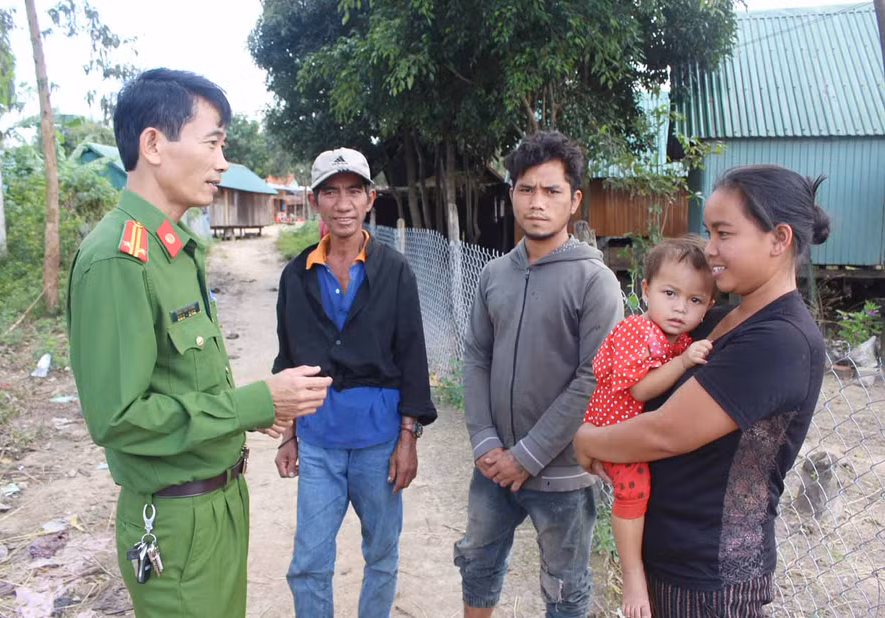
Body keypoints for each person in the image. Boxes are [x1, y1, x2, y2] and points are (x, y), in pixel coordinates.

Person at [67, 68, 332, 618]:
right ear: (154, 145)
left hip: (217, 504)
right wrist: (257, 403)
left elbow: (183, 379)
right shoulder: (119, 259)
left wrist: (249, 413)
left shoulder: (174, 250)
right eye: (211, 142)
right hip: (174, 520)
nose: (222, 162)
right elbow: (117, 417)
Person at [574, 165, 829, 617]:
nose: (709, 250)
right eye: (708, 232)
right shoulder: (716, 319)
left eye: (723, 234)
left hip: (711, 578)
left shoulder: (780, 340)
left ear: (779, 239)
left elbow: (664, 433)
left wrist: (586, 439)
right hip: (670, 555)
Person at [455, 130, 624, 618]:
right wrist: (485, 442)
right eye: (526, 189)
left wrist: (526, 456)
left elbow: (593, 378)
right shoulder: (495, 275)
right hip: (492, 468)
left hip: (564, 475)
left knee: (565, 589)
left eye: (551, 191)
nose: (537, 202)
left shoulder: (595, 281)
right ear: (511, 195)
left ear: (573, 201)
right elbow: (476, 357)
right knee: (478, 565)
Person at [272, 147, 437, 617]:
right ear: (314, 200)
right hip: (318, 442)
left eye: (352, 192)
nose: (342, 204)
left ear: (370, 199)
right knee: (308, 563)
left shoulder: (394, 271)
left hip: (379, 444)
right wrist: (288, 434)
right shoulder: (296, 275)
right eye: (330, 192)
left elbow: (411, 356)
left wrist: (408, 437)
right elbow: (287, 358)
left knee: (381, 556)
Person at [581, 236, 715, 618]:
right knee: (633, 489)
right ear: (645, 289)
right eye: (669, 293)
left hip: (632, 430)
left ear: (708, 307)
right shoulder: (634, 332)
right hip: (614, 428)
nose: (679, 307)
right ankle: (632, 575)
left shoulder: (679, 339)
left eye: (695, 300)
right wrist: (685, 361)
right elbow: (641, 387)